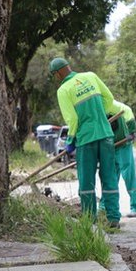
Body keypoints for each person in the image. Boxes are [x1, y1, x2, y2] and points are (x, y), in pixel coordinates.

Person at [51, 57, 122, 227]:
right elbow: (109, 99)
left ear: (58, 73)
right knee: (109, 178)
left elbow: (72, 119)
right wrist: (98, 116)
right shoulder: (91, 76)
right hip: (105, 135)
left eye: (54, 76)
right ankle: (113, 219)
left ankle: (90, 221)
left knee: (86, 181)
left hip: (86, 139)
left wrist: (70, 140)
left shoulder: (63, 90)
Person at [100, 100, 136, 218]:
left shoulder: (112, 105)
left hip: (123, 145)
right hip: (110, 146)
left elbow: (128, 112)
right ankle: (104, 208)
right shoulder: (95, 109)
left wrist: (131, 131)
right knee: (110, 177)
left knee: (128, 175)